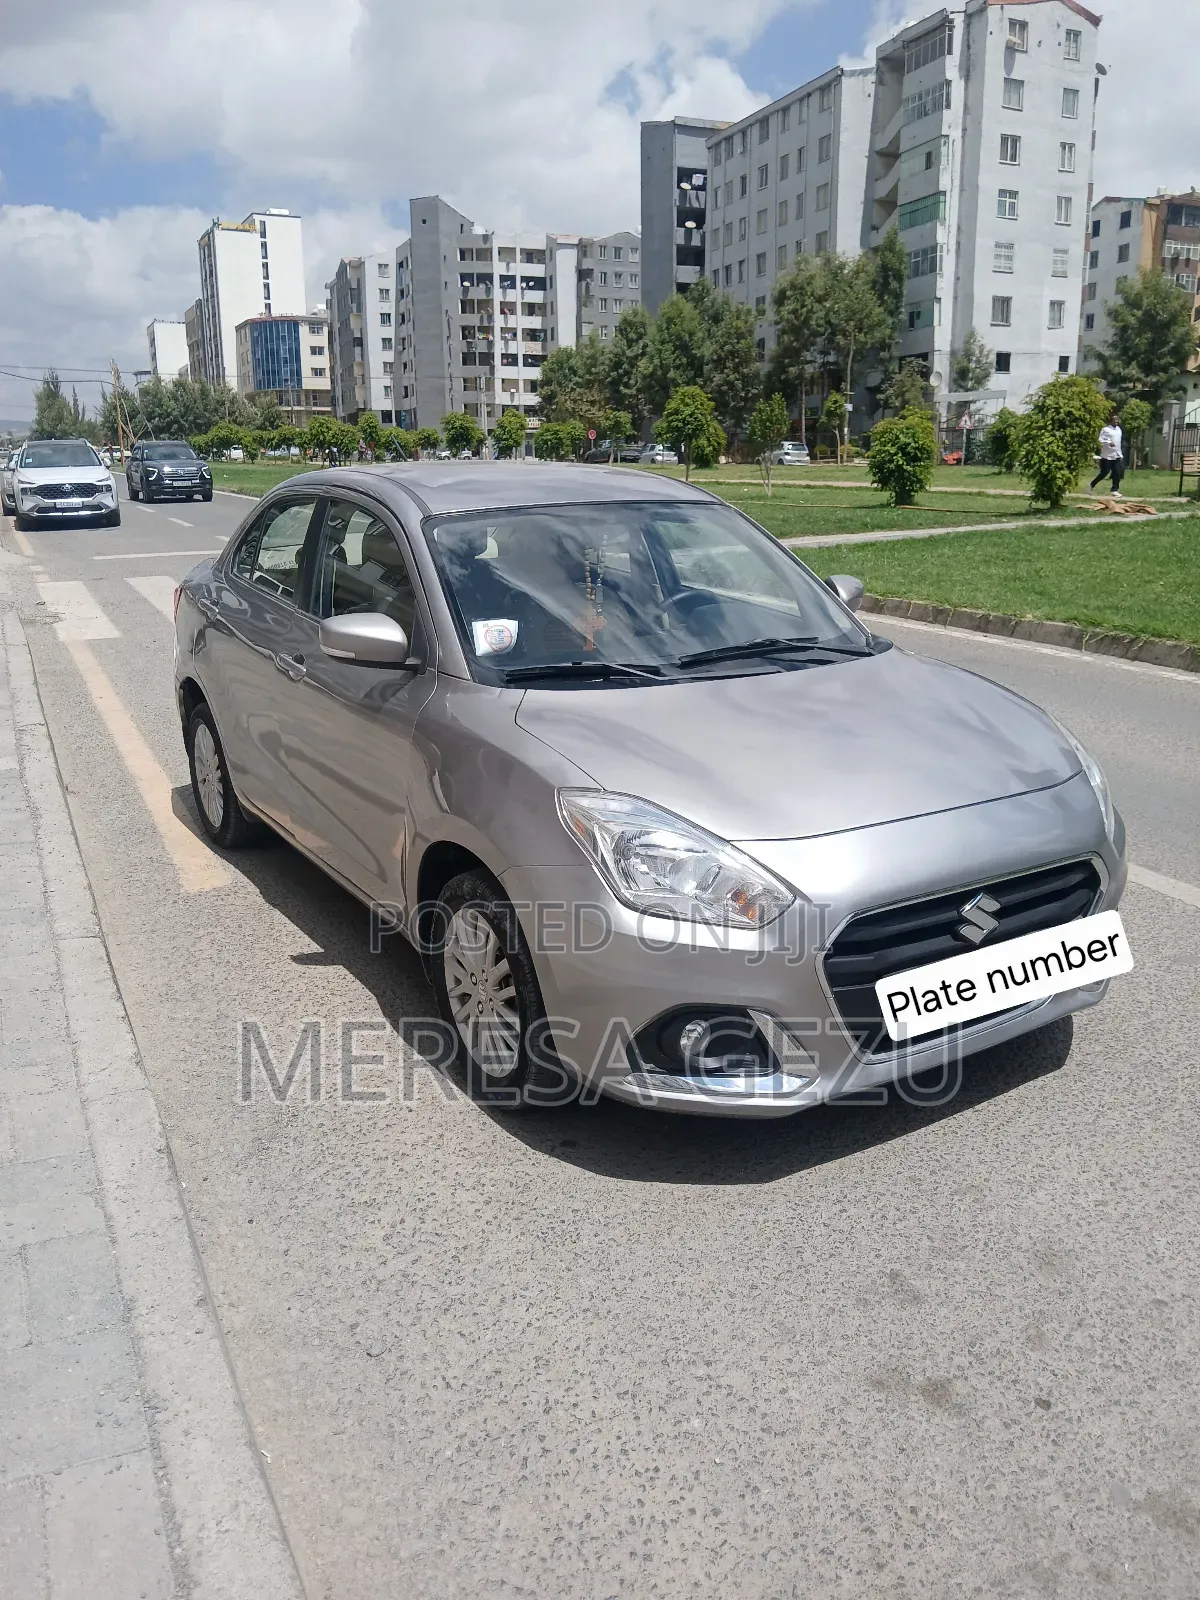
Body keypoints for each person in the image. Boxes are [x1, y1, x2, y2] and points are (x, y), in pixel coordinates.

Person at [1090, 411, 1125, 495]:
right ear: (1110, 421)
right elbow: (1101, 439)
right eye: (1114, 420)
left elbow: (1118, 442)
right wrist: (1109, 442)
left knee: (1117, 472)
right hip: (1107, 456)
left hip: (1116, 455)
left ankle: (1114, 490)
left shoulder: (1119, 430)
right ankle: (1091, 485)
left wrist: (1120, 454)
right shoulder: (1105, 430)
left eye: (1117, 420)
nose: (1116, 421)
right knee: (1104, 473)